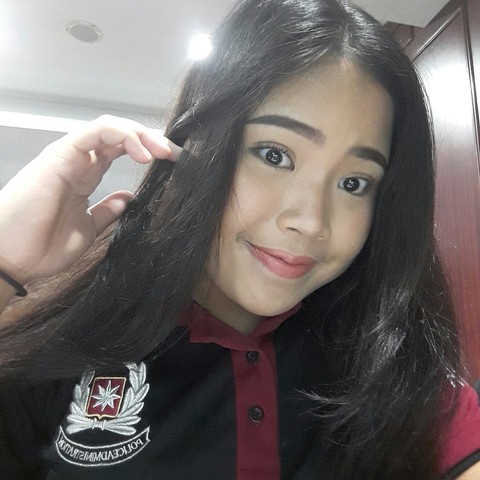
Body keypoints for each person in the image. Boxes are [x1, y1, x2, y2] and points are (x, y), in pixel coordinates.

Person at [0, 0, 479, 478]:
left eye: (354, 183)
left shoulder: (396, 373)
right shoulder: (64, 348)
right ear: (196, 146)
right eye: (274, 155)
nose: (311, 221)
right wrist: (6, 263)